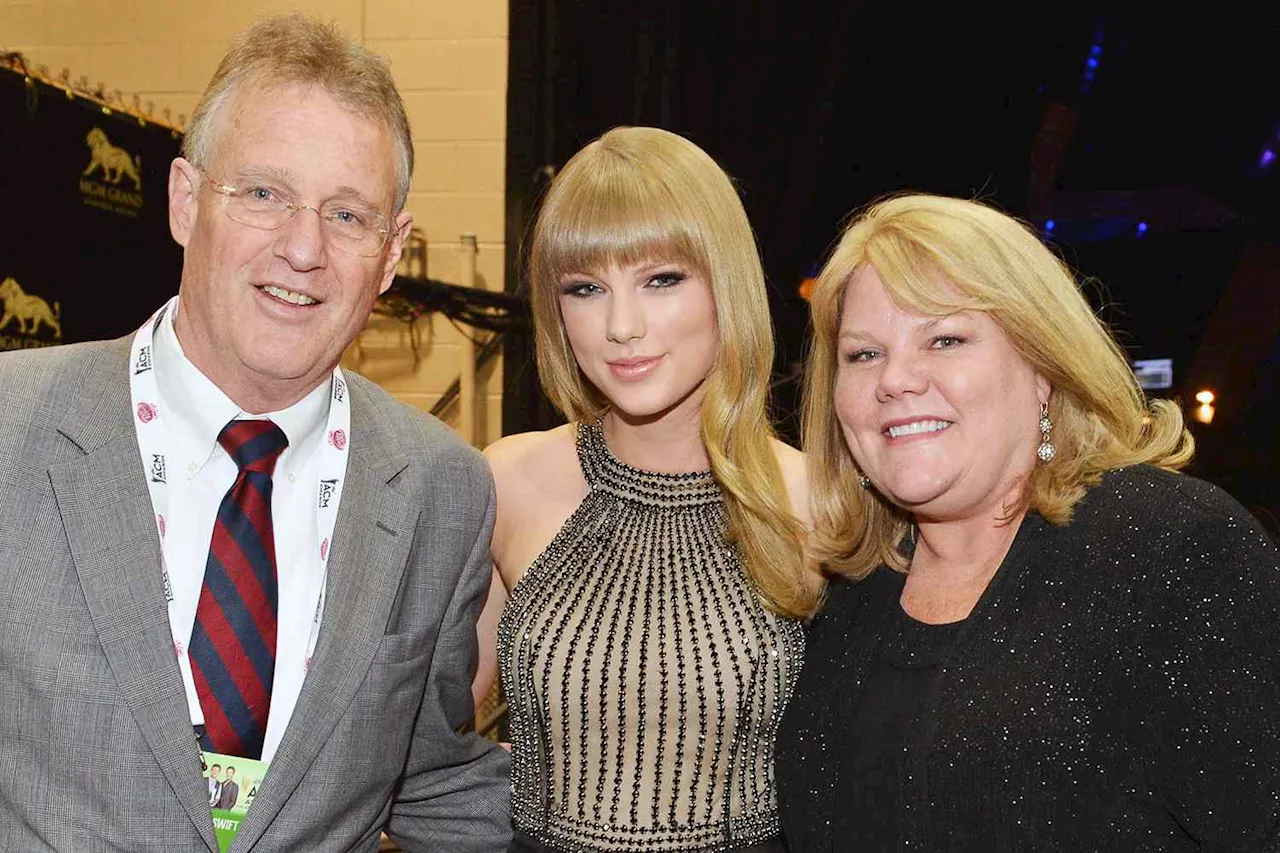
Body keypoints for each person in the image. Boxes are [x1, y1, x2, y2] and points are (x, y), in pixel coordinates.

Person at [0, 14, 509, 852]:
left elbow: (437, 779)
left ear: (390, 255)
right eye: (265, 193)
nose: (303, 248)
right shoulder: (15, 428)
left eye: (348, 215)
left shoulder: (439, 490)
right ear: (185, 201)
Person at [776, 193, 1280, 850]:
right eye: (864, 354)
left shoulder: (1172, 552)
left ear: (1042, 367)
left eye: (946, 338)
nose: (895, 378)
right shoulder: (847, 590)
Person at [482, 126, 818, 853]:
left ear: (724, 281)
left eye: (661, 279)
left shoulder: (818, 503)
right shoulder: (507, 482)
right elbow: (408, 737)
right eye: (585, 288)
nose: (622, 326)